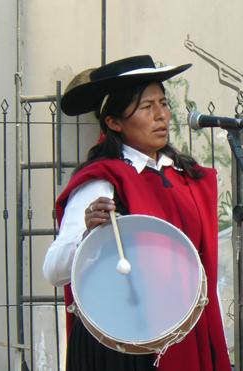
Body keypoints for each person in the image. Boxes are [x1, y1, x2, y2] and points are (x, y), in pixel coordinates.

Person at [42, 55, 231, 371]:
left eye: (163, 103)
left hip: (184, 335)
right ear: (114, 122)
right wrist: (89, 238)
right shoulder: (102, 181)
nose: (162, 115)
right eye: (147, 107)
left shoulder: (187, 179)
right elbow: (54, 271)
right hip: (123, 348)